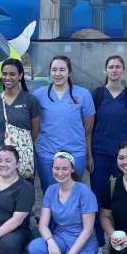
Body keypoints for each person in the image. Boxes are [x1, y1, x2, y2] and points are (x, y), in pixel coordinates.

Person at [89, 56, 127, 252]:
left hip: (124, 158)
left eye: (117, 67)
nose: (114, 70)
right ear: (105, 70)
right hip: (100, 154)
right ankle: (98, 243)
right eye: (110, 67)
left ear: (124, 70)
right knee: (97, 198)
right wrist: (89, 155)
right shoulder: (96, 95)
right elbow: (89, 128)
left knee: (125, 199)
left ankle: (124, 240)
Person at [27, 152, 98, 254]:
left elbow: (88, 229)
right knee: (35, 247)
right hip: (61, 239)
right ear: (51, 169)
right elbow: (43, 224)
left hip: (83, 245)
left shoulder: (84, 192)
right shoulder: (51, 190)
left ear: (72, 169)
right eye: (56, 168)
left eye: (65, 168)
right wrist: (51, 242)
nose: (60, 173)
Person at [33, 56, 95, 192]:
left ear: (69, 72)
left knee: (73, 191)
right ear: (49, 72)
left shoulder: (83, 94)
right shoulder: (39, 95)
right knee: (49, 191)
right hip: (47, 152)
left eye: (62, 69)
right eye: (54, 70)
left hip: (75, 152)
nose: (58, 74)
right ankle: (48, 214)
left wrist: (71, 136)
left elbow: (88, 126)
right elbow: (34, 123)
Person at [0, 58, 40, 180]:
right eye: (4, 74)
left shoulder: (30, 100)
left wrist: (22, 147)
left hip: (23, 157)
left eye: (12, 74)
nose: (7, 77)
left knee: (23, 194)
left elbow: (35, 130)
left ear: (20, 75)